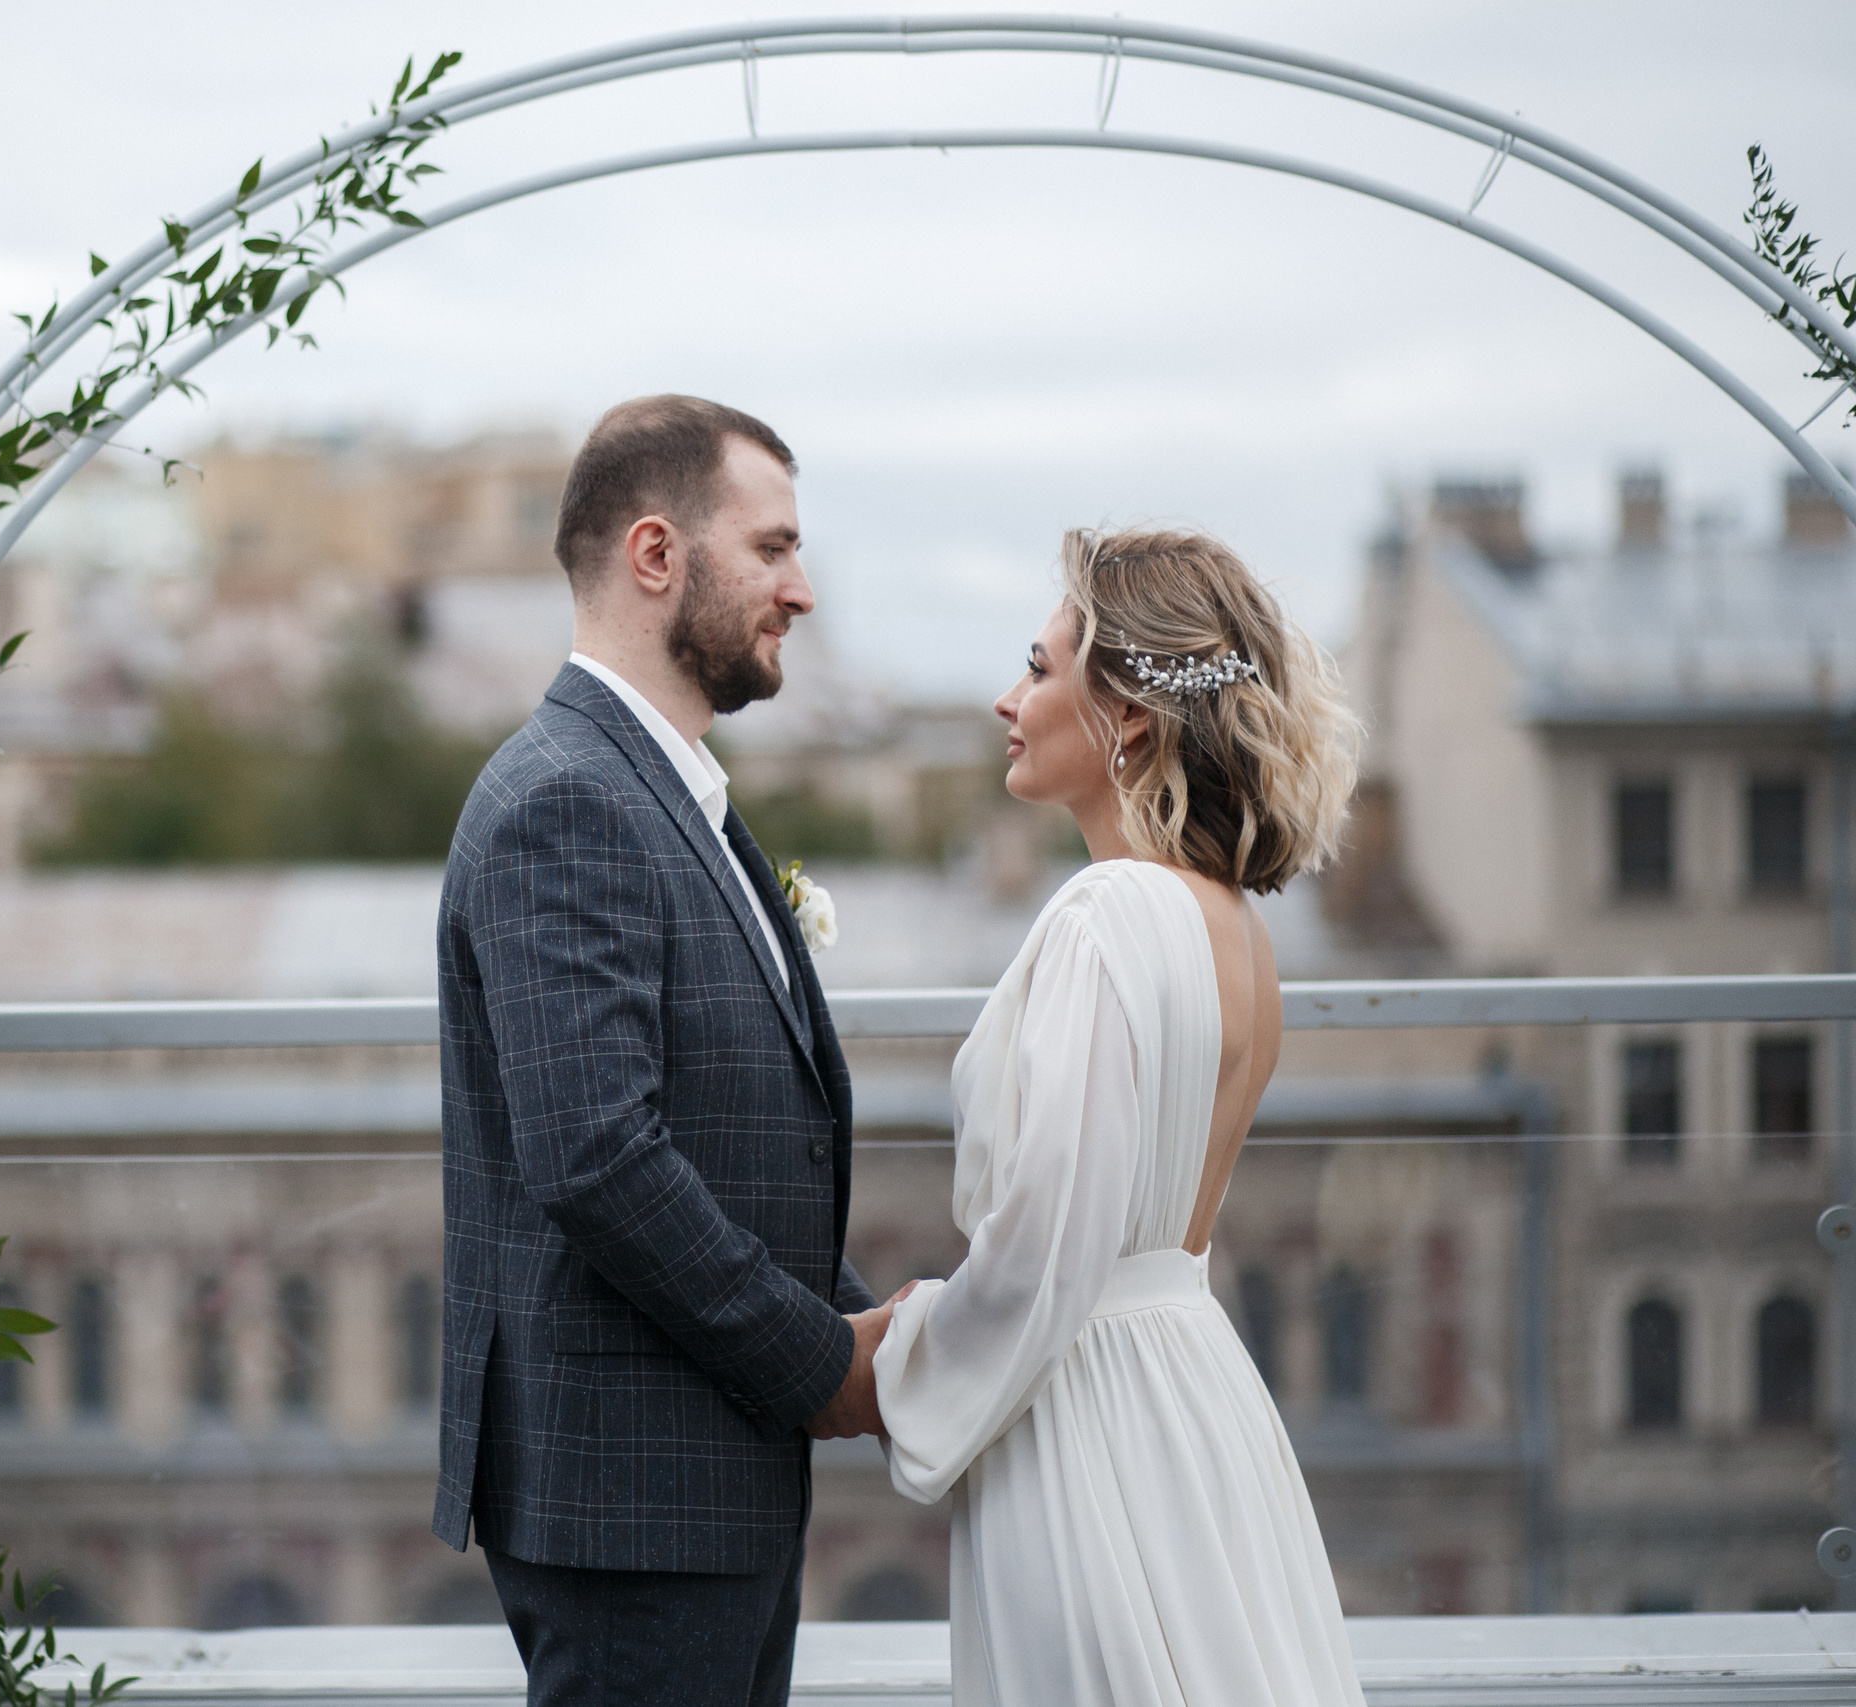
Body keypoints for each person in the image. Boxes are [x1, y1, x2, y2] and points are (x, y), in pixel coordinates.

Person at [865, 525, 1365, 1706]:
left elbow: (1049, 1239)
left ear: (1129, 717)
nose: (1005, 698)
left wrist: (890, 1363)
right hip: (1198, 1397)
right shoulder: (1236, 927)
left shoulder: (1106, 917)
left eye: (1037, 670)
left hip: (1084, 1415)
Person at [431, 395, 880, 1707]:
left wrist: (861, 1323)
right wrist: (820, 1361)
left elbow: (725, 1135)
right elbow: (598, 1153)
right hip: (637, 1504)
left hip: (695, 1485)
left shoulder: (652, 786)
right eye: (774, 546)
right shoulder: (570, 798)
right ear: (655, 555)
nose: (801, 590)